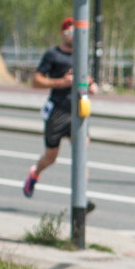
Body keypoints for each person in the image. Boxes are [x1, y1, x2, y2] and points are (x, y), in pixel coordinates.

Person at [22, 17, 94, 213]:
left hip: (78, 112)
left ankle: (82, 199)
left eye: (76, 33)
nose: (73, 37)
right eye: (69, 33)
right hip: (57, 112)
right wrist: (61, 82)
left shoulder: (82, 54)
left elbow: (88, 78)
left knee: (82, 154)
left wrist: (91, 86)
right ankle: (35, 172)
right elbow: (36, 81)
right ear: (63, 34)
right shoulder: (53, 55)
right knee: (51, 157)